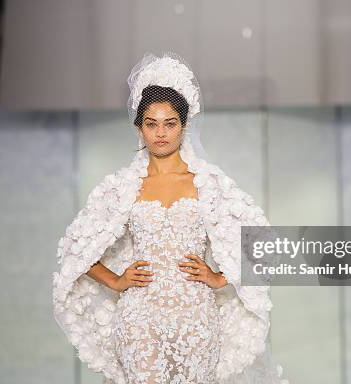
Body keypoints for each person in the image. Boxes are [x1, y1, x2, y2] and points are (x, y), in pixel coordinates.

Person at [52, 52, 289, 384]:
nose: (160, 133)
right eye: (151, 123)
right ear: (139, 128)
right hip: (138, 320)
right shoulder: (122, 188)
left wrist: (220, 278)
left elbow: (265, 243)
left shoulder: (207, 183)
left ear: (184, 125)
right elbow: (76, 250)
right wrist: (117, 281)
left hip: (196, 320)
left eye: (170, 123)